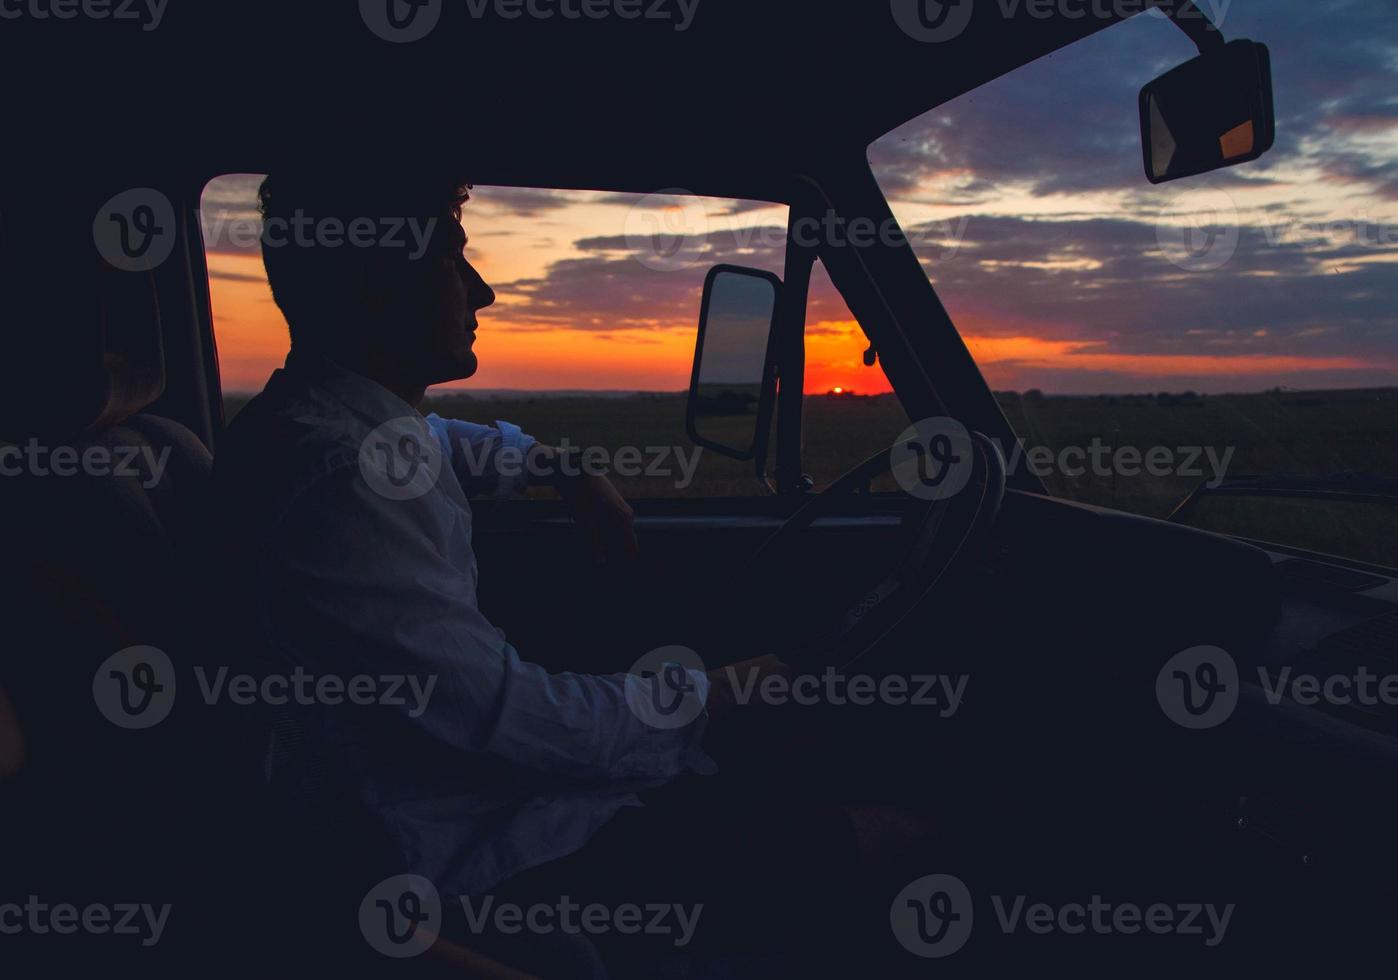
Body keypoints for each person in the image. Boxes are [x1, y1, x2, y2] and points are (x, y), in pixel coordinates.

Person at [209, 172, 931, 975]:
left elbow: (441, 438)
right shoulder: (344, 481)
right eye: (453, 261)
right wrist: (713, 694)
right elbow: (506, 714)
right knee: (896, 838)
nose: (480, 290)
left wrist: (560, 464)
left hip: (474, 810)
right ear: (373, 281)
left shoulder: (340, 425)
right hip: (470, 857)